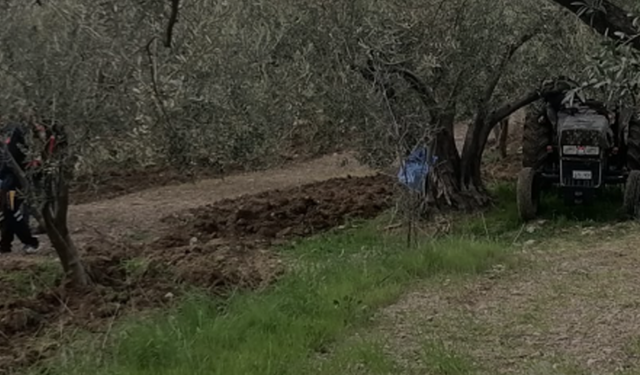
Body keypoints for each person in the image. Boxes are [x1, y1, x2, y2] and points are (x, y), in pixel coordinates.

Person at [0, 121, 41, 254]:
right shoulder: (6, 131)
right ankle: (5, 245)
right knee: (7, 211)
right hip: (6, 179)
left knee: (10, 210)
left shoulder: (16, 131)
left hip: (15, 179)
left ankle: (30, 241)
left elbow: (17, 156)